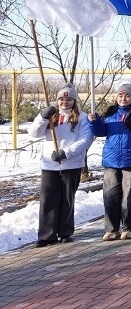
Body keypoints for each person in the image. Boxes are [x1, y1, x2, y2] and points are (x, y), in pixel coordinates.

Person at [90, 83, 131, 241]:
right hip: (111, 161)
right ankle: (111, 229)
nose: (123, 99)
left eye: (127, 96)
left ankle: (128, 227)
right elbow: (101, 132)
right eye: (120, 96)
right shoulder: (110, 114)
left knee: (129, 196)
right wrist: (95, 122)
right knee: (110, 195)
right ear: (116, 98)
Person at [28, 85, 94, 247]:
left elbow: (86, 139)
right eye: (61, 99)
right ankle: (46, 235)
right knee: (47, 200)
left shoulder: (82, 117)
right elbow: (33, 133)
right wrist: (42, 117)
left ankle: (65, 232)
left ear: (74, 101)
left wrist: (66, 152)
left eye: (69, 99)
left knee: (67, 199)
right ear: (57, 100)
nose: (65, 102)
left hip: (70, 164)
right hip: (49, 164)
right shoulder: (50, 115)